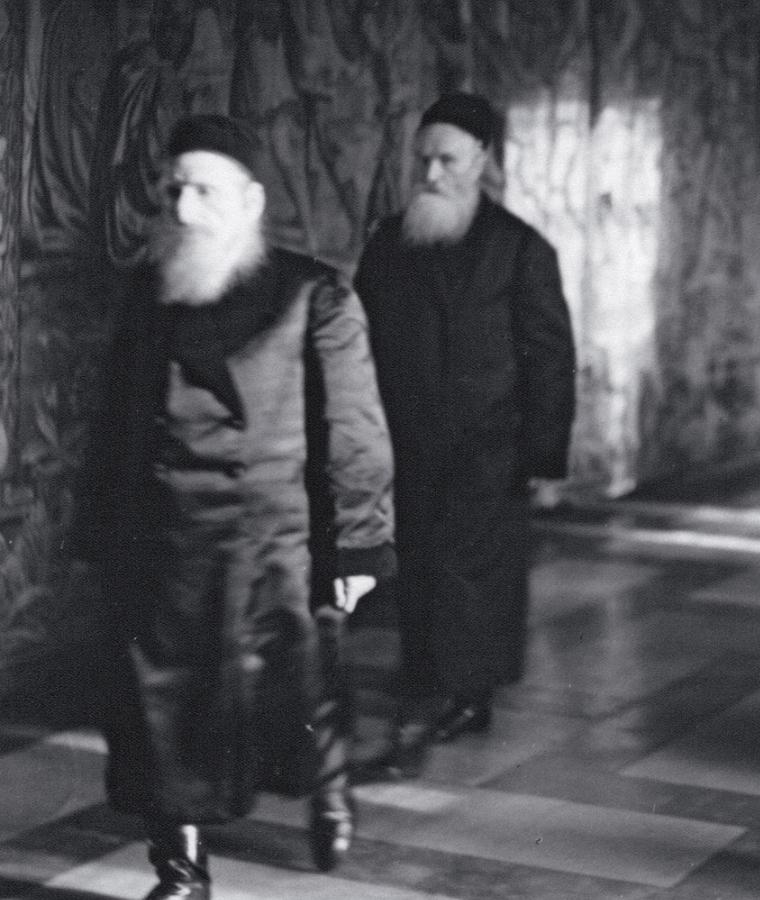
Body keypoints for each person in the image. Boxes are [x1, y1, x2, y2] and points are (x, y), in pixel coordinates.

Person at [72, 114, 396, 898]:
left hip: (275, 542)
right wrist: (97, 531)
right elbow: (115, 423)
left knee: (304, 686)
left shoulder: (313, 294)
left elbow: (353, 430)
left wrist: (358, 546)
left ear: (250, 202)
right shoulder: (152, 291)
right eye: (174, 191)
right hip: (164, 541)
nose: (184, 210)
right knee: (160, 706)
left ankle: (329, 791)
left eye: (204, 192)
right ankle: (181, 868)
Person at [354, 92, 577, 778]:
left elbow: (550, 357)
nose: (431, 174)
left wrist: (542, 457)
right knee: (419, 565)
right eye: (423, 159)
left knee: (469, 574)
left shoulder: (521, 250)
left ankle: (459, 696)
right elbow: (357, 339)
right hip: (406, 441)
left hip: (488, 448)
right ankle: (435, 679)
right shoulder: (390, 243)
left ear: (481, 161)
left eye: (447, 160)